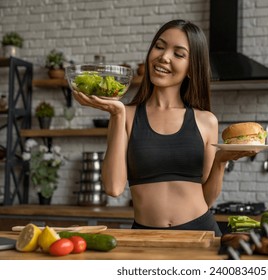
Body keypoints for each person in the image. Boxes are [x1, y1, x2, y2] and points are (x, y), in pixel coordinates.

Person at [72, 19, 255, 236]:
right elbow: (113, 188)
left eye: (178, 54)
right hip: (145, 236)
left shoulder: (206, 121)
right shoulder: (125, 115)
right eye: (159, 46)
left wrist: (221, 161)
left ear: (191, 68)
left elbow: (206, 198)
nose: (164, 57)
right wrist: (118, 113)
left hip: (200, 232)